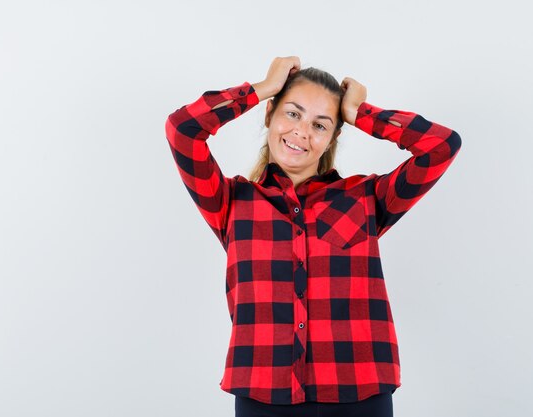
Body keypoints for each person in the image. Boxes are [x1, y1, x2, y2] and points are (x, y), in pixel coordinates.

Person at [165, 56, 462, 417]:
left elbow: (442, 146)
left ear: (333, 136)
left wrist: (360, 113)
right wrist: (262, 89)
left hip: (359, 393)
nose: (302, 132)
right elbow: (182, 129)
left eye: (320, 125)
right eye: (292, 114)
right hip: (263, 396)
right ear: (270, 114)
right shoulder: (230, 203)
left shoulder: (366, 198)